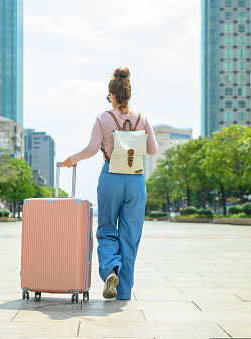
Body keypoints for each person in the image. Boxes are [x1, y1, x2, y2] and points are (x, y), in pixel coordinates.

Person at [61, 68, 158, 301]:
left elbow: (92, 149)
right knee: (130, 237)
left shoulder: (103, 118)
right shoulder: (142, 118)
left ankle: (111, 271)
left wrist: (70, 160)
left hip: (111, 177)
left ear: (112, 96)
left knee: (106, 231)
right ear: (129, 95)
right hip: (135, 180)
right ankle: (124, 292)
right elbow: (153, 150)